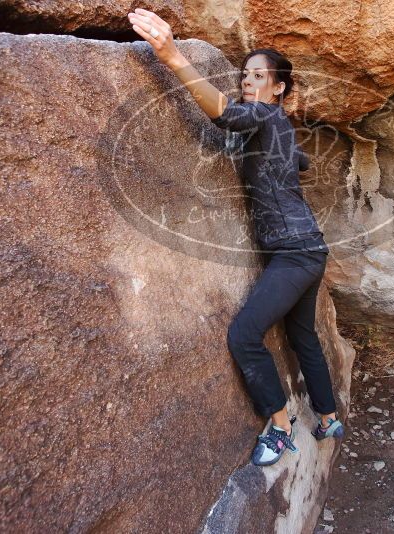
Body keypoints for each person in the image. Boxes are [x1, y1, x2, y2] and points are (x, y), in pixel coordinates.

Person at [127, 9, 345, 467]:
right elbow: (300, 162)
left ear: (279, 88)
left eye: (260, 76)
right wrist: (291, 156)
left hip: (293, 254)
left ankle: (281, 428)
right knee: (302, 337)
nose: (249, 81)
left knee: (245, 335)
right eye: (245, 74)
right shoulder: (276, 126)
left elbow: (225, 115)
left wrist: (170, 55)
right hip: (308, 248)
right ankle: (327, 417)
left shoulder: (265, 115)